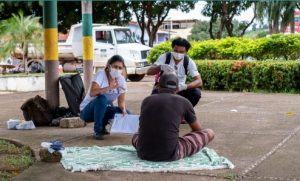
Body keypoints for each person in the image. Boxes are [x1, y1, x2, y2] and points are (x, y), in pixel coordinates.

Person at [132, 73, 214, 161]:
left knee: (136, 135)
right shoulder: (184, 102)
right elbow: (198, 130)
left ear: (158, 86)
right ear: (177, 89)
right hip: (170, 154)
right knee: (209, 132)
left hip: (143, 152)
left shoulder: (146, 100)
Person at [80, 55, 129, 140]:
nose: (117, 70)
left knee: (126, 112)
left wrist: (123, 110)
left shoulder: (121, 80)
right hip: (87, 112)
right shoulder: (101, 74)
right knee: (102, 99)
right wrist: (109, 87)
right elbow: (92, 93)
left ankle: (103, 127)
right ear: (109, 66)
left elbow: (121, 102)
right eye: (115, 67)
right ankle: (97, 130)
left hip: (102, 110)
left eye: (120, 68)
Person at [147, 37, 202, 107]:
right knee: (153, 100)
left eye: (181, 52)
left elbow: (199, 81)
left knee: (196, 93)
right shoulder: (165, 57)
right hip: (163, 88)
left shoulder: (188, 61)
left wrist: (184, 87)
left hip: (179, 88)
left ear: (186, 52)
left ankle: (184, 111)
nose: (178, 53)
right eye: (175, 51)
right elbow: (149, 71)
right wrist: (160, 67)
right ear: (172, 49)